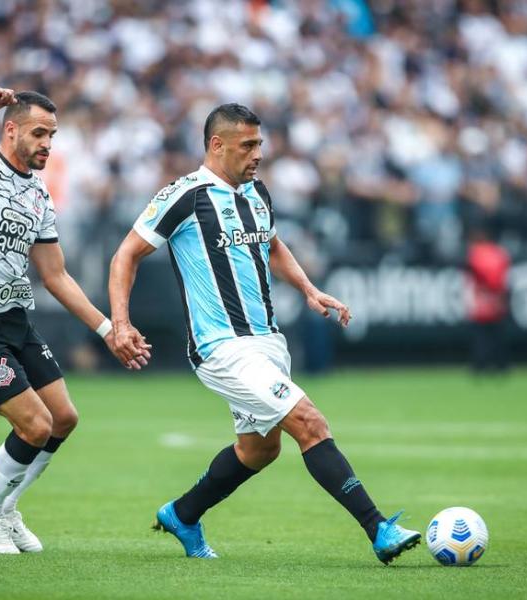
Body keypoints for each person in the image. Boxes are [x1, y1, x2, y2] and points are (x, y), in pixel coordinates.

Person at [108, 103, 421, 564]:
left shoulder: (256, 191)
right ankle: (378, 528)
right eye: (248, 145)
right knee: (310, 424)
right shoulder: (186, 195)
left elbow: (271, 244)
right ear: (217, 145)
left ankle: (182, 513)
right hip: (222, 348)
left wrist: (310, 290)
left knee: (259, 450)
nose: (258, 153)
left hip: (267, 343)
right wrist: (120, 322)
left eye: (260, 143)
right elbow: (125, 255)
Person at [0, 87, 148, 554]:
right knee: (35, 425)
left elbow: (56, 275)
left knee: (63, 418)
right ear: (11, 129)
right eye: (39, 133)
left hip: (13, 320)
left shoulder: (39, 192)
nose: (47, 143)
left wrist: (109, 330)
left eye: (52, 135)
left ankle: (5, 506)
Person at [465, 227, 511, 374]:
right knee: (497, 335)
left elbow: (474, 274)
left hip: (482, 300)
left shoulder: (476, 254)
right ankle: (501, 365)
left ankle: (480, 365)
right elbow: (504, 275)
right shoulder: (499, 253)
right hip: (498, 298)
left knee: (481, 336)